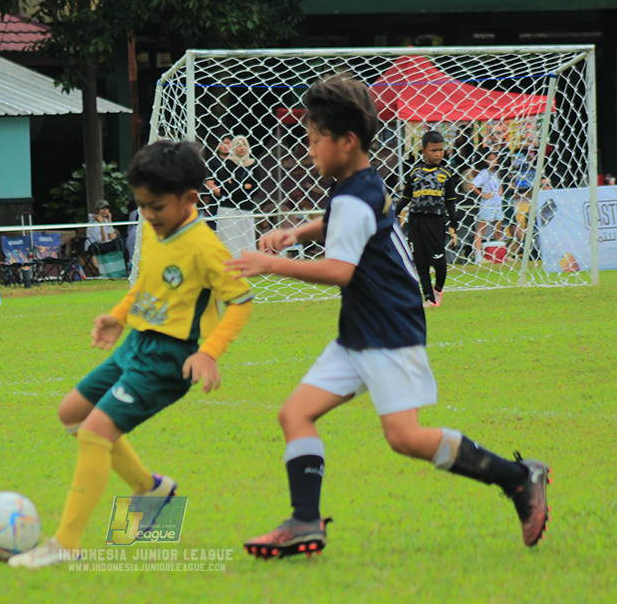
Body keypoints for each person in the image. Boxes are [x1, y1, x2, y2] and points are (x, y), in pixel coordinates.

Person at [224, 76, 549, 559]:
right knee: (295, 414)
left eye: (315, 140)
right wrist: (300, 230)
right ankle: (304, 521)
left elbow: (338, 270)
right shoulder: (362, 184)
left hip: (391, 330)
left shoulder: (354, 196)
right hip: (362, 329)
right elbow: (347, 218)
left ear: (346, 141)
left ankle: (519, 478)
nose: (310, 149)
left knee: (406, 437)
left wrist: (270, 262)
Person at [9, 140, 254, 569]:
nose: (148, 215)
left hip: (168, 359)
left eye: (156, 206)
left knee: (93, 433)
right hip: (136, 344)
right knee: (71, 414)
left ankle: (66, 541)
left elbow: (241, 301)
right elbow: (145, 284)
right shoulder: (154, 230)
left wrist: (211, 352)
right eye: (142, 206)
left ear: (189, 199)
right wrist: (119, 316)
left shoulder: (205, 247)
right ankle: (152, 489)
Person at [394, 130, 459, 306]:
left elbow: (451, 202)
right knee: (420, 262)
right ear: (423, 151)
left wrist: (454, 224)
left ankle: (438, 289)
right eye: (433, 150)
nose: (438, 154)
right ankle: (429, 298)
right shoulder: (414, 172)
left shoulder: (446, 174)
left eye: (441, 150)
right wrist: (393, 213)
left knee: (438, 261)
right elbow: (406, 198)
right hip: (416, 220)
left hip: (436, 221)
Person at [210, 135, 262, 257]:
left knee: (246, 238)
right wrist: (244, 187)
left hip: (246, 207)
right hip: (228, 207)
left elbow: (255, 189)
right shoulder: (227, 164)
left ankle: (247, 262)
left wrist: (236, 186)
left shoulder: (253, 164)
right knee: (229, 238)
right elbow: (225, 188)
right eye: (238, 145)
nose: (241, 148)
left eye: (244, 144)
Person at [470, 150, 505, 264]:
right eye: (489, 159)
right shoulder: (484, 173)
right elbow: (472, 185)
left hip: (497, 204)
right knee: (481, 230)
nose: (492, 161)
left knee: (498, 230)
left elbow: (500, 186)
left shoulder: (496, 173)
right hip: (487, 204)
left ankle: (501, 255)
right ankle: (478, 257)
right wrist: (483, 195)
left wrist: (500, 192)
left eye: (494, 159)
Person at [86, 199, 129, 268]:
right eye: (102, 209)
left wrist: (110, 222)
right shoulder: (93, 223)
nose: (105, 211)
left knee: (123, 241)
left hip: (106, 244)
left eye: (106, 209)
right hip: (95, 246)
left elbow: (112, 237)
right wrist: (102, 225)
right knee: (120, 241)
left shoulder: (106, 221)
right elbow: (102, 240)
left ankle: (126, 265)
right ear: (97, 210)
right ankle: (125, 266)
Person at [202, 134, 233, 229]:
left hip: (237, 202)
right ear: (217, 146)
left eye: (228, 143)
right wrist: (224, 194)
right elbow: (209, 183)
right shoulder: (213, 162)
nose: (225, 146)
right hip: (217, 203)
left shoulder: (237, 161)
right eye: (222, 143)